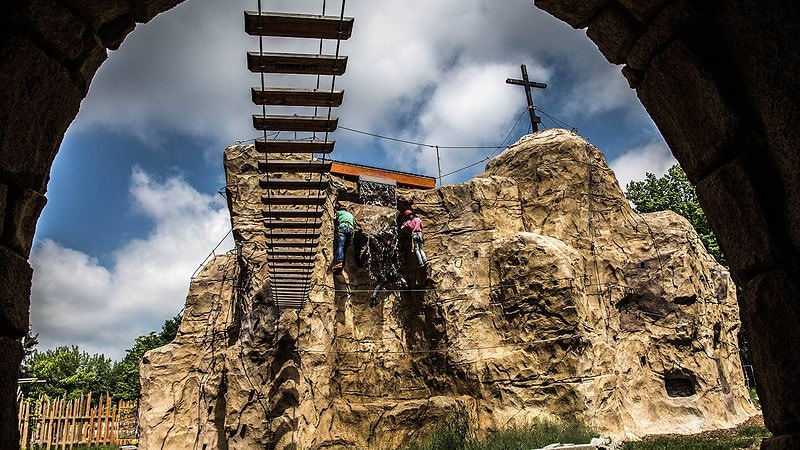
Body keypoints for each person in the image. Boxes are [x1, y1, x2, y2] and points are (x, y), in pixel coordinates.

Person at [333, 206, 355, 270]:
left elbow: (335, 218)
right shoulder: (351, 215)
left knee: (340, 246)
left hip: (343, 228)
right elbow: (354, 224)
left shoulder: (339, 212)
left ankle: (339, 262)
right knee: (344, 249)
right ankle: (342, 265)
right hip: (350, 231)